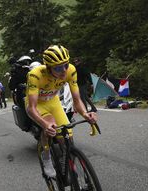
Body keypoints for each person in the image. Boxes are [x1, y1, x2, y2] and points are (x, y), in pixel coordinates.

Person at [26, 45, 97, 178]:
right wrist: (44, 125)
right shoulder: (35, 75)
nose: (64, 70)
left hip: (53, 102)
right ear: (48, 67)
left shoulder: (71, 70)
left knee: (68, 135)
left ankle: (69, 164)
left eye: (65, 64)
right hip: (38, 105)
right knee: (50, 125)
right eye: (58, 68)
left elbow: (77, 100)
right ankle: (46, 157)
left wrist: (85, 114)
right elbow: (31, 108)